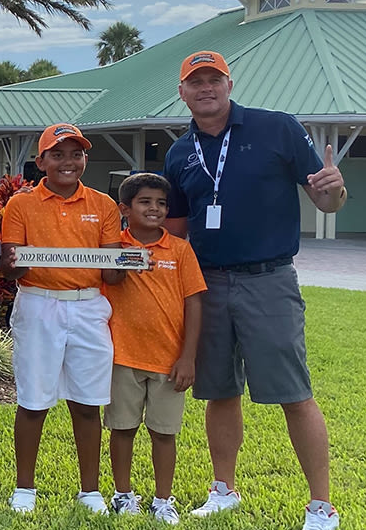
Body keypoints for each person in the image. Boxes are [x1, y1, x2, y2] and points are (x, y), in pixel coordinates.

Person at [164, 51, 345, 530]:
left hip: (269, 279)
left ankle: (321, 506)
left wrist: (334, 188)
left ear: (229, 84)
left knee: (293, 392)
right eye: (195, 81)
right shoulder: (179, 154)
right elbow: (176, 233)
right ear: (182, 91)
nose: (206, 88)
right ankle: (224, 490)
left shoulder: (277, 128)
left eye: (214, 79)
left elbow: (326, 201)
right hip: (208, 284)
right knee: (219, 390)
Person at [0, 123, 125, 515]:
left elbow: (113, 273)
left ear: (85, 159)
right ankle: (25, 488)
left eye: (76, 154)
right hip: (39, 303)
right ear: (41, 161)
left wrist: (127, 259)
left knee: (88, 402)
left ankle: (90, 491)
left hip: (89, 306)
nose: (68, 162)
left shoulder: (103, 204)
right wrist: (13, 262)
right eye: (57, 154)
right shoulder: (21, 205)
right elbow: (10, 268)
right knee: (33, 401)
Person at [103, 172, 206, 523]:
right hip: (122, 357)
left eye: (161, 203)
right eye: (145, 202)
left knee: (164, 432)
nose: (155, 209)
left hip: (168, 360)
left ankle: (163, 499)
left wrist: (188, 356)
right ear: (125, 208)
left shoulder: (179, 249)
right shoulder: (112, 247)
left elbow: (194, 302)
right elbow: (106, 280)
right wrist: (121, 260)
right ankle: (122, 494)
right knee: (123, 428)